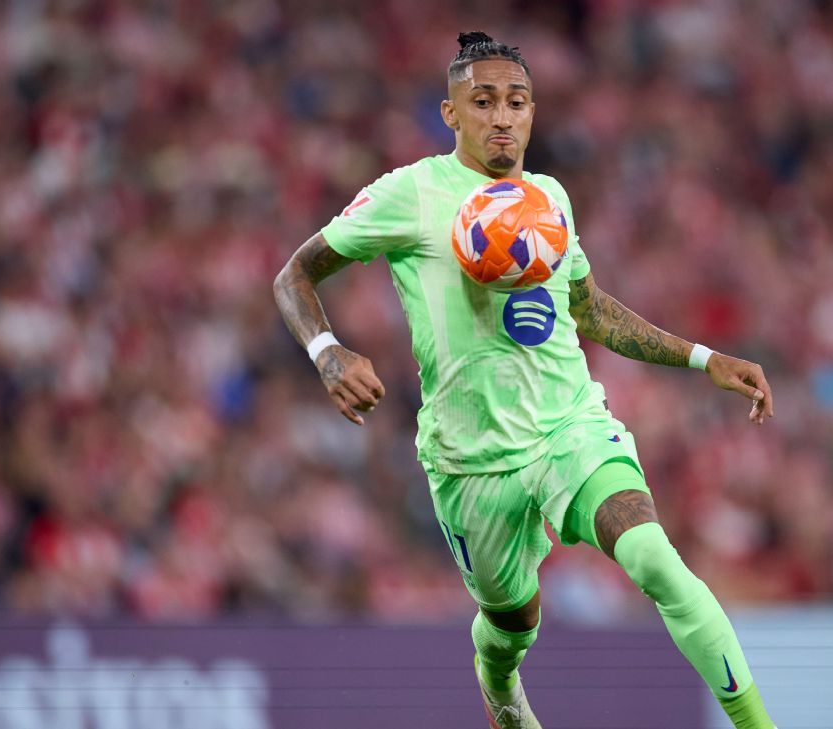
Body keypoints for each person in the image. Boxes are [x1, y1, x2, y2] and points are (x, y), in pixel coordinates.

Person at [273, 31, 777, 729]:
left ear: (533, 112)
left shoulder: (549, 198)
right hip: (470, 459)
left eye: (516, 102)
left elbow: (589, 309)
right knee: (513, 623)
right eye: (483, 102)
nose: (502, 117)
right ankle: (497, 675)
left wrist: (702, 358)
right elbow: (293, 274)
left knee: (654, 558)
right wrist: (328, 352)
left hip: (567, 426)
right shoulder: (410, 192)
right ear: (451, 113)